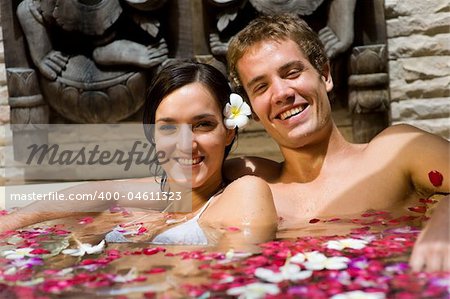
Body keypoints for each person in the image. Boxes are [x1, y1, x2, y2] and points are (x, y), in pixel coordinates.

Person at [225, 13, 449, 271]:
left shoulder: (396, 153)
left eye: (292, 73)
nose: (281, 93)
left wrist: (445, 217)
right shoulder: (247, 184)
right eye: (261, 87)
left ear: (325, 74)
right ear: (251, 109)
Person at [0, 61, 278, 246]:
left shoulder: (246, 192)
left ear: (229, 131)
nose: (185, 144)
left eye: (202, 125)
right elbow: (105, 191)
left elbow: (237, 278)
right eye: (168, 128)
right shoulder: (164, 204)